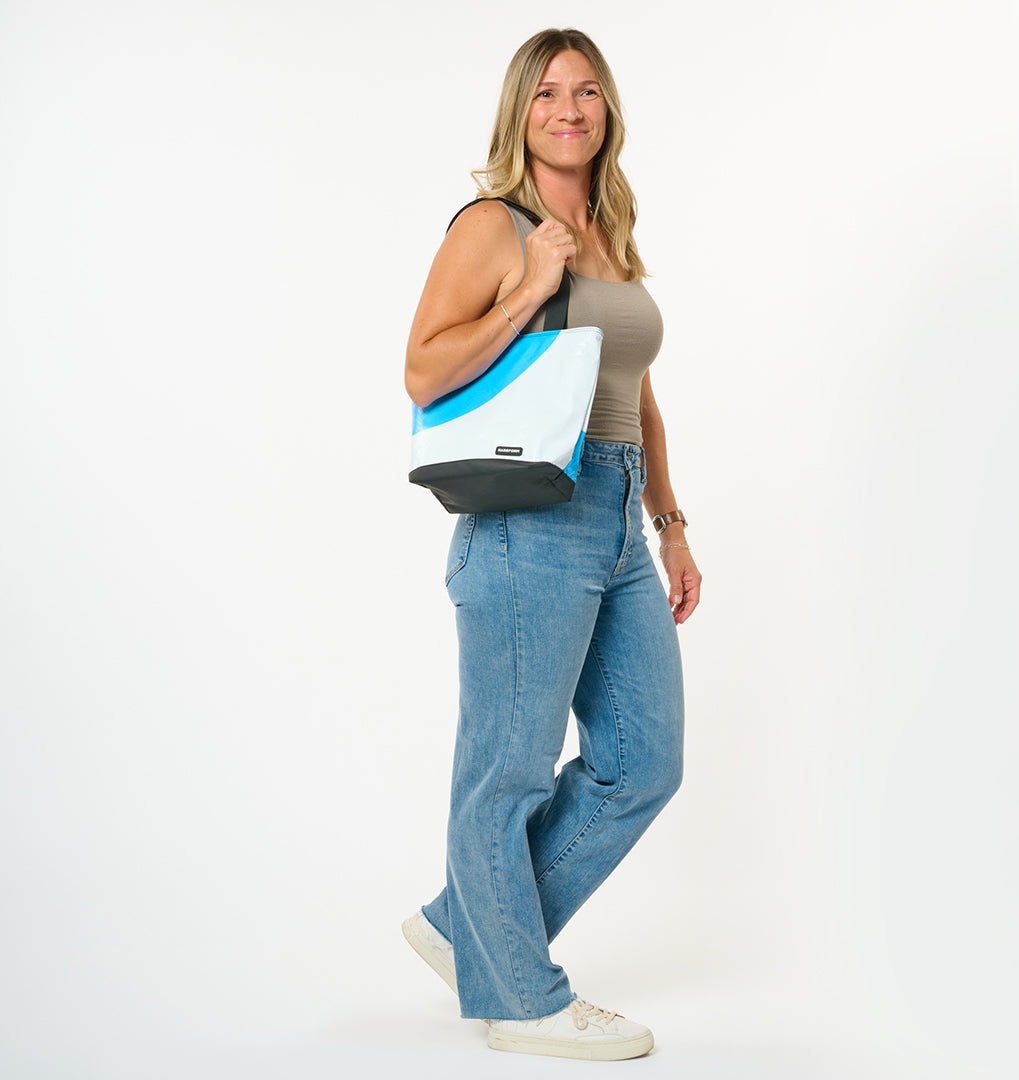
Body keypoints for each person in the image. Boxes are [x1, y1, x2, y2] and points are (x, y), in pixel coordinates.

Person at [401, 27, 701, 1061]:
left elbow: (636, 393)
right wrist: (528, 290)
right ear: (518, 112)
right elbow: (422, 369)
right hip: (528, 519)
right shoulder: (496, 225)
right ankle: (520, 999)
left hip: (615, 514)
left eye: (586, 92)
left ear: (608, 109)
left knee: (642, 763)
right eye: (546, 94)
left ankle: (468, 928)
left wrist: (669, 522)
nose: (568, 110)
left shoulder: (609, 228)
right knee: (508, 772)